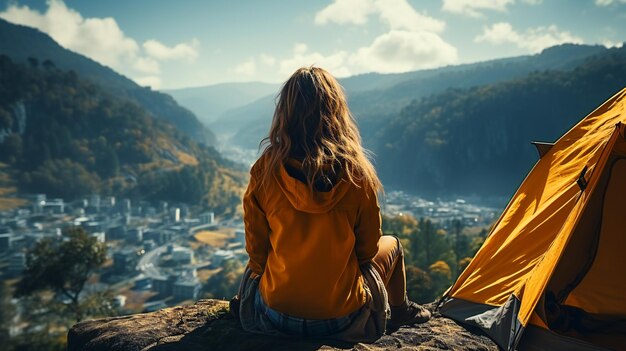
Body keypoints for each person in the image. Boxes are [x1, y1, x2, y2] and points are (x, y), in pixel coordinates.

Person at [232, 66, 430, 342]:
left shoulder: (265, 170)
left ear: (284, 114)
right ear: (336, 112)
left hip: (277, 313)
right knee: (393, 243)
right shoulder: (356, 173)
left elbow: (257, 255)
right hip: (341, 318)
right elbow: (368, 250)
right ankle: (400, 312)